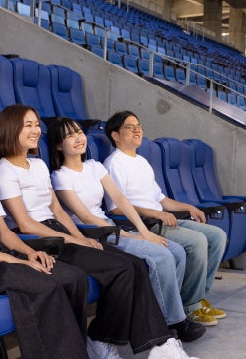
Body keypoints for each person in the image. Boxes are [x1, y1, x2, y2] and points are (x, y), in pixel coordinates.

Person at [0, 113, 197, 359]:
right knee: (46, 285)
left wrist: (27, 253)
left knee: (73, 278)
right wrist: (18, 261)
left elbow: (2, 231)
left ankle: (117, 344)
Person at [44, 116, 204, 341]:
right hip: (93, 232)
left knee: (175, 251)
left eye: (79, 132)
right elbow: (85, 216)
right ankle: (173, 322)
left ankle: (164, 315)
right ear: (59, 145)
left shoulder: (94, 166)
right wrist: (130, 235)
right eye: (70, 136)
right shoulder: (60, 177)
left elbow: (119, 198)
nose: (78, 138)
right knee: (161, 255)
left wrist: (144, 231)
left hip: (109, 227)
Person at [101, 111, 231, 326]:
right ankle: (190, 307)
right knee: (197, 241)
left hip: (162, 219)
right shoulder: (114, 163)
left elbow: (161, 199)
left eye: (139, 125)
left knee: (217, 236)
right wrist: (156, 213)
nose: (137, 130)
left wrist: (189, 207)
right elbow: (115, 209)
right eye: (129, 126)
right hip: (146, 224)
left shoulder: (141, 160)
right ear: (115, 135)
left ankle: (196, 299)